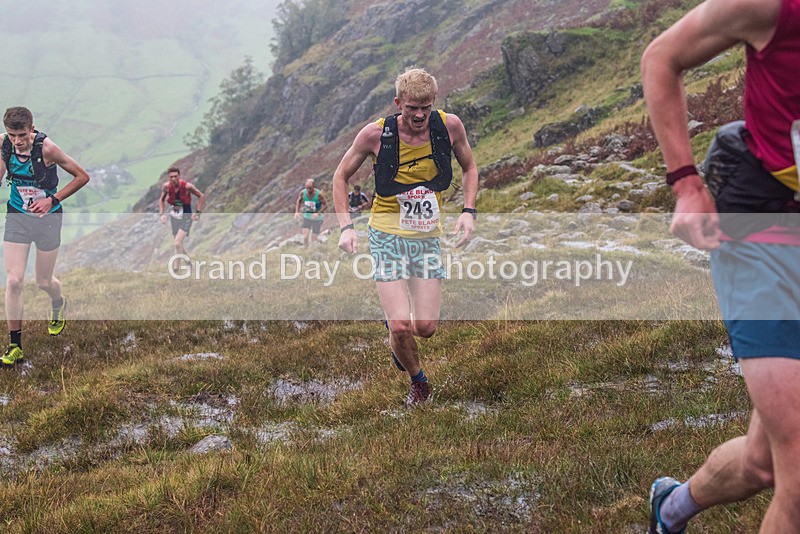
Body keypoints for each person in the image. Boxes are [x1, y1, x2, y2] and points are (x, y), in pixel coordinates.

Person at [641, 0, 800, 532]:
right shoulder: (772, 7)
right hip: (763, 232)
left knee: (763, 464)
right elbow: (662, 57)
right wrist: (686, 184)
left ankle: (670, 508)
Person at [333, 67, 478, 407]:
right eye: (412, 107)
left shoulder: (450, 127)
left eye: (426, 107)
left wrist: (468, 211)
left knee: (425, 327)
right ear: (398, 103)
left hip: (426, 238)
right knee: (400, 327)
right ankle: (419, 382)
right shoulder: (375, 134)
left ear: (434, 101)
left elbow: (470, 168)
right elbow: (340, 177)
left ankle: (398, 336)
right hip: (385, 235)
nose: (419, 115)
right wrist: (346, 227)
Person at [0, 106, 90, 366]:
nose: (17, 141)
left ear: (32, 128)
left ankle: (58, 302)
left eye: (22, 135)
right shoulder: (5, 144)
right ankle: (14, 346)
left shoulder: (47, 149)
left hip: (48, 219)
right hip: (17, 216)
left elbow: (82, 176)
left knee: (42, 281)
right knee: (14, 281)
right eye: (12, 135)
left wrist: (52, 200)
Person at [159, 166, 204, 270]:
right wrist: (162, 214)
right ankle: (188, 263)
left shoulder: (188, 186)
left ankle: (176, 269)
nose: (173, 179)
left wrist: (198, 213)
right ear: (168, 178)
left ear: (179, 176)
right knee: (178, 243)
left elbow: (201, 196)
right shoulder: (166, 186)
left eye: (175, 176)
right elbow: (161, 200)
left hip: (186, 216)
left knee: (177, 243)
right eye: (171, 177)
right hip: (174, 216)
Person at [294, 178, 328, 247]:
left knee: (314, 239)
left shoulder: (319, 194)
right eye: (307, 188)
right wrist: (297, 211)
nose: (308, 190)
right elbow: (299, 201)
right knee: (305, 237)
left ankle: (321, 242)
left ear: (313, 187)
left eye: (310, 188)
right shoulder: (302, 193)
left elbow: (325, 205)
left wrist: (318, 213)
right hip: (307, 216)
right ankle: (305, 250)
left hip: (317, 218)